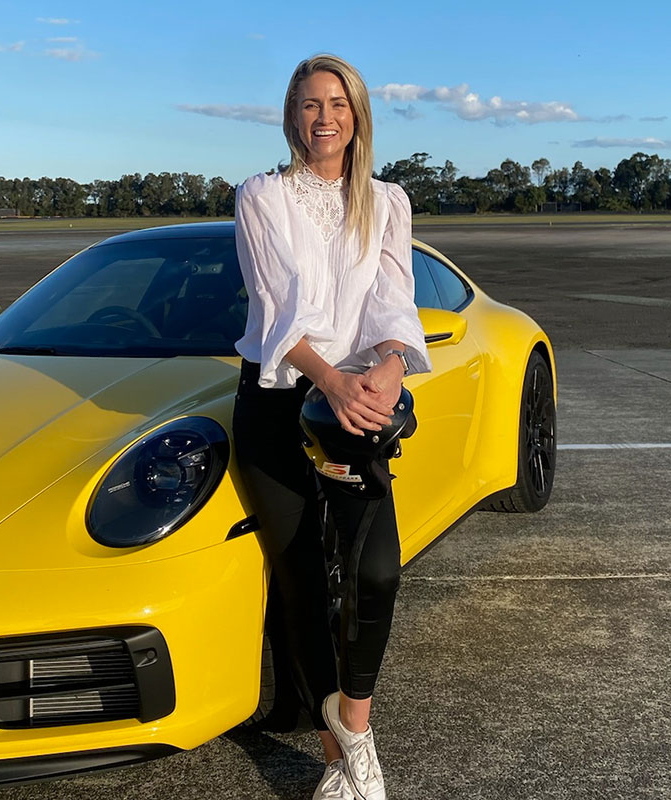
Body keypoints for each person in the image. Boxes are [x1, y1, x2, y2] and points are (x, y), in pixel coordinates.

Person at [231, 53, 431, 800]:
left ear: (357, 115)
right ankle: (342, 762)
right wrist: (333, 379)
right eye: (311, 104)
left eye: (337, 104)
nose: (325, 117)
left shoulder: (386, 201)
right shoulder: (261, 196)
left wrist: (388, 370)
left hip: (357, 407)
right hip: (281, 405)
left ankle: (355, 721)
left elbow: (392, 302)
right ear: (293, 117)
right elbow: (278, 305)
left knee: (376, 567)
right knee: (303, 582)